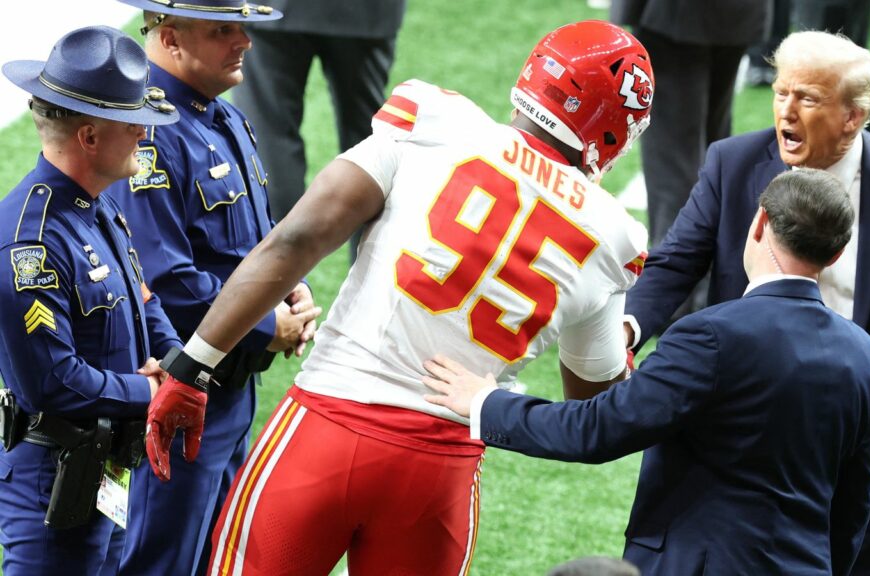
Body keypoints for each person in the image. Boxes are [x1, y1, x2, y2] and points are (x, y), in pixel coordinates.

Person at [142, 19, 653, 575]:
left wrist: (192, 365)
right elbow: (590, 401)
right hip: (441, 466)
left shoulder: (435, 117)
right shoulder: (613, 233)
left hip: (329, 422)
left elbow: (299, 237)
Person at [623, 31, 870, 575]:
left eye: (809, 98)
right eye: (780, 93)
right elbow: (678, 260)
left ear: (854, 116)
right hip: (754, 432)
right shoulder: (732, 164)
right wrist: (628, 328)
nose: (786, 112)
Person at [423, 168, 870, 576]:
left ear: (760, 223)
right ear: (835, 253)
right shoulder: (865, 356)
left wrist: (486, 403)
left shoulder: (710, 336)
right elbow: (853, 507)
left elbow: (596, 430)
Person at [107, 1, 322, 574]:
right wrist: (265, 322)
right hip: (182, 390)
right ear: (171, 38)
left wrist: (290, 288)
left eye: (243, 27)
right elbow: (164, 277)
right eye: (223, 30)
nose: (244, 42)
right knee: (161, 558)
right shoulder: (146, 131)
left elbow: (256, 235)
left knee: (214, 554)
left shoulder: (219, 114)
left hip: (230, 387)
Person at [0, 25, 180, 575]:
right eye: (136, 126)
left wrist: (177, 364)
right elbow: (51, 383)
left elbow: (141, 296)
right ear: (90, 137)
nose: (146, 139)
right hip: (52, 489)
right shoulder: (28, 242)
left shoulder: (95, 205)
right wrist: (149, 391)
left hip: (103, 471)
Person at [231, 0, 406, 229]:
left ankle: (275, 263)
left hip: (270, 7)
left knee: (267, 139)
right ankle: (375, 264)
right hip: (365, 11)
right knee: (370, 142)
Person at [610, 0, 767, 248]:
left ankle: (679, 275)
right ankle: (710, 265)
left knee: (675, 158)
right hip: (737, 13)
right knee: (713, 144)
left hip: (673, 17)